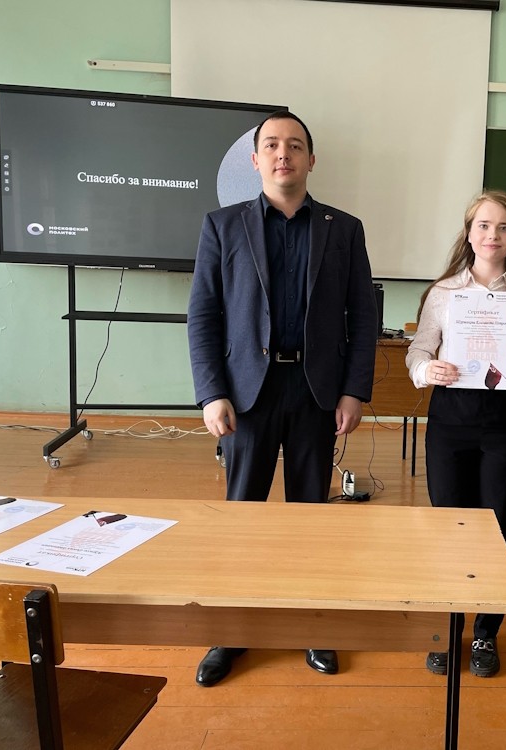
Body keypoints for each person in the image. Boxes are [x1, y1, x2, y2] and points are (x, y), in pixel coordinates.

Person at [187, 110, 377, 687]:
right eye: (271, 144)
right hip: (248, 393)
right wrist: (211, 392)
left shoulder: (344, 229)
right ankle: (231, 630)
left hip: (317, 391)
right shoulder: (223, 226)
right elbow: (203, 315)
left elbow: (362, 318)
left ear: (311, 160)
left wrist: (354, 389)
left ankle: (310, 622)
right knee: (241, 512)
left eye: (294, 145)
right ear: (255, 160)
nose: (282, 154)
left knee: (309, 516)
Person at [405, 190, 506, 678]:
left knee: (497, 528)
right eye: (484, 226)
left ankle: (486, 633)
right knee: (449, 527)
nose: (493, 235)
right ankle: (448, 629)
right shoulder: (444, 292)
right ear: (469, 234)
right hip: (451, 420)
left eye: (504, 227)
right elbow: (417, 351)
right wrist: (427, 370)